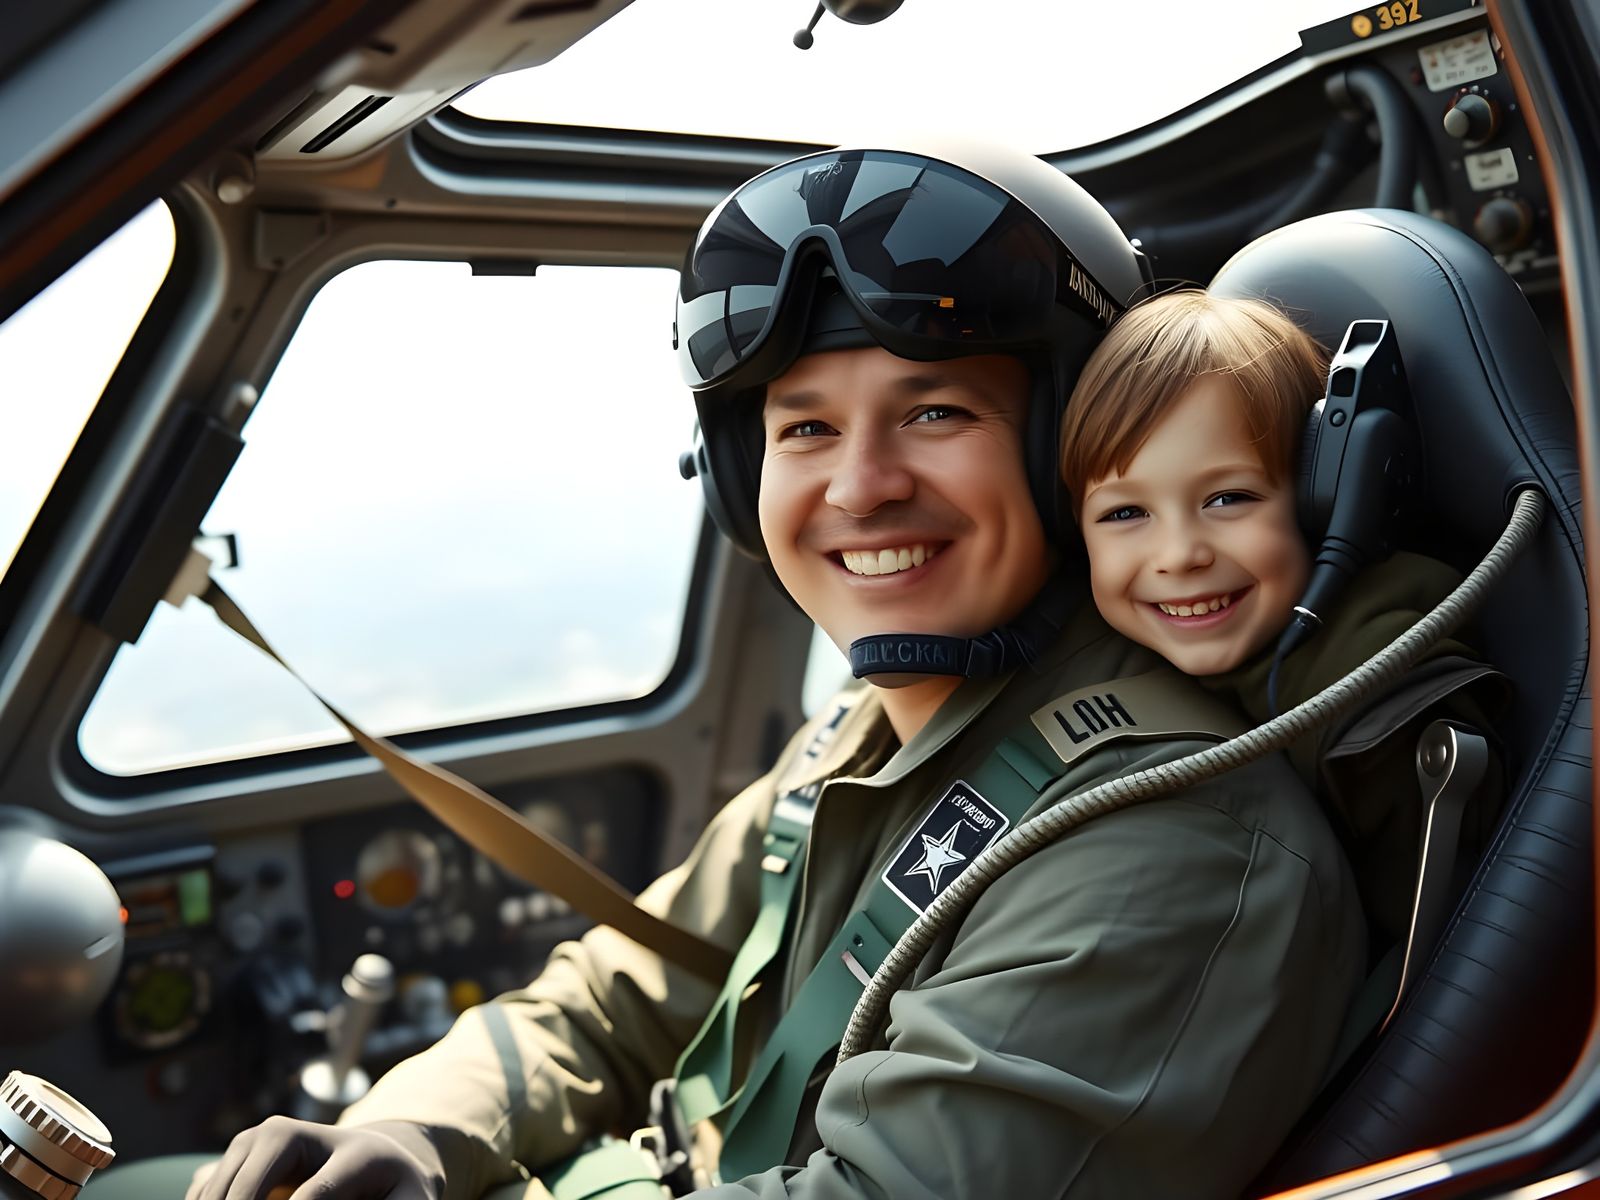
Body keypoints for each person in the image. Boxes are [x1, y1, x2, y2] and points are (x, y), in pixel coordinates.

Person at [137, 144, 1364, 1200]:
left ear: (1069, 458)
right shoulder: (868, 731)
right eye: (805, 428)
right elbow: (613, 997)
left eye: (935, 412)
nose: (858, 484)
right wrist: (415, 1131)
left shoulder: (1166, 849)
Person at [1058, 288, 1508, 946]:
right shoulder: (1091, 654)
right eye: (1125, 513)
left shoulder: (1374, 713)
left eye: (1227, 497)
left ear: (1327, 503)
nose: (1179, 555)